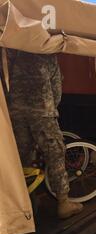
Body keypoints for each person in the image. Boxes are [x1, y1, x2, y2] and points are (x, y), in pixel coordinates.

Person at [1, 49, 83, 219]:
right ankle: (63, 202)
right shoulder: (45, 53)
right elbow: (56, 86)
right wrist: (50, 106)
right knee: (55, 154)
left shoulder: (9, 52)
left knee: (20, 158)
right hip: (43, 112)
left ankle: (25, 203)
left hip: (16, 113)